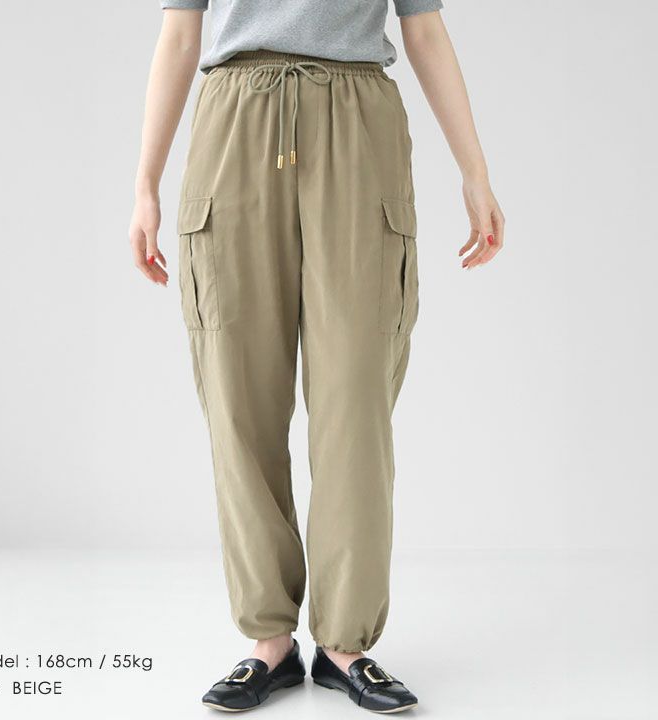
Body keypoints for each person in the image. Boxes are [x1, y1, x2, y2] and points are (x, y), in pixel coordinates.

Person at [129, 0, 504, 713]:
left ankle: (344, 644)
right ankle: (268, 641)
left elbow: (424, 27)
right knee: (237, 394)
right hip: (235, 120)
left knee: (355, 400)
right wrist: (145, 183)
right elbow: (179, 33)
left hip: (358, 122)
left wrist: (475, 172)